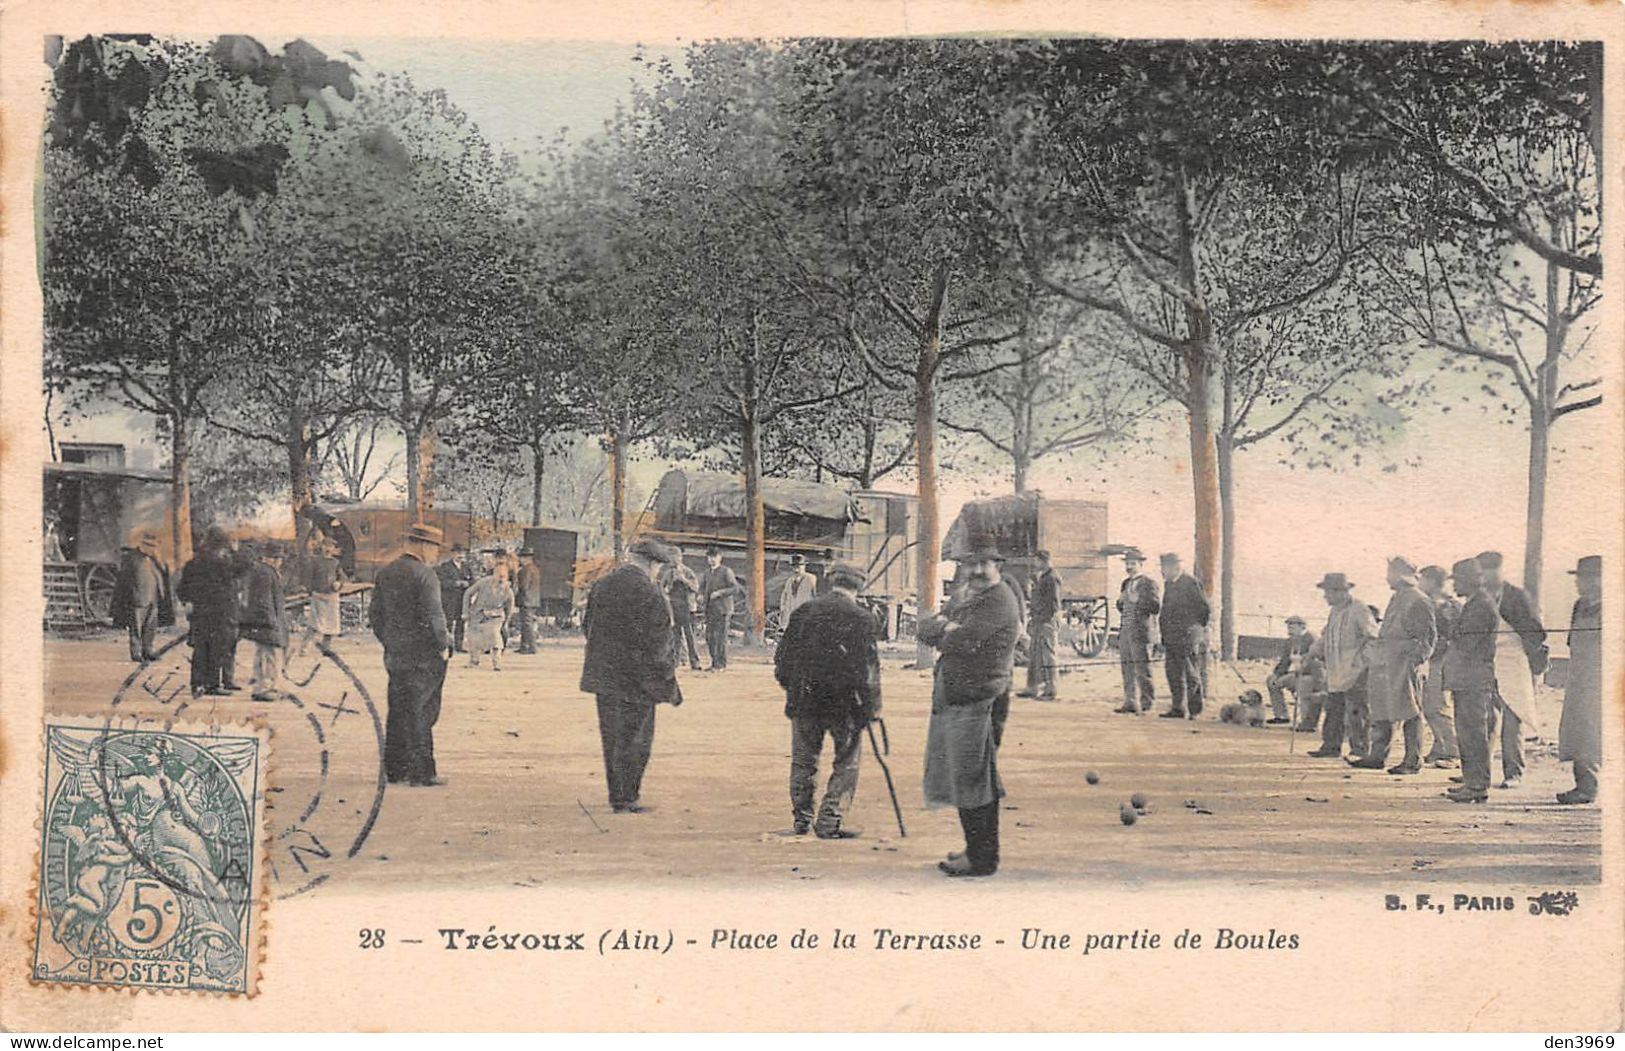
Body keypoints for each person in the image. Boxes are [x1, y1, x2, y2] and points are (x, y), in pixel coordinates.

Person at [920, 548, 1020, 878]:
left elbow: (967, 640)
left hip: (980, 698)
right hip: (962, 696)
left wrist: (947, 628)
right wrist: (948, 627)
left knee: (975, 779)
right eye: (971, 563)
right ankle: (976, 850)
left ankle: (981, 858)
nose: (976, 569)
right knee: (967, 777)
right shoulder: (970, 598)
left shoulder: (998, 599)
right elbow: (924, 628)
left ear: (998, 565)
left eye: (984, 563)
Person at [774, 562, 881, 838]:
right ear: (860, 586)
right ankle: (830, 821)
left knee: (803, 760)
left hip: (805, 700)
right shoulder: (862, 619)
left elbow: (782, 662)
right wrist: (871, 707)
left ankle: (801, 821)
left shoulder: (805, 612)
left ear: (831, 581)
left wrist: (794, 689)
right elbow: (868, 671)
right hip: (845, 705)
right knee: (847, 761)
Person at [579, 538, 683, 814]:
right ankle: (629, 796)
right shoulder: (651, 592)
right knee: (636, 740)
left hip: (605, 676)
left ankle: (617, 796)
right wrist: (667, 678)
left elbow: (586, 625)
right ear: (652, 564)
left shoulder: (602, 585)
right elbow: (660, 642)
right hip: (639, 680)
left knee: (611, 738)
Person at [369, 523, 452, 787]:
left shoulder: (386, 572)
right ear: (423, 546)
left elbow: (375, 616)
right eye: (434, 548)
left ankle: (394, 769)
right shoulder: (426, 575)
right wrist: (443, 645)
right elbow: (434, 617)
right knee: (422, 711)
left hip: (396, 654)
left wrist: (390, 641)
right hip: (424, 656)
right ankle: (422, 771)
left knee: (397, 709)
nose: (435, 554)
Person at [1351, 557, 1437, 774]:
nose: (1386, 577)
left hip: (1403, 663)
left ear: (1400, 574)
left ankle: (1412, 760)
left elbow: (1427, 639)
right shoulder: (1398, 597)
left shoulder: (1418, 600)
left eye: (1390, 572)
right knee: (1381, 709)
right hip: (1385, 661)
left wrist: (1413, 663)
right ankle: (1377, 756)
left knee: (1410, 711)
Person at [1477, 550, 1548, 789]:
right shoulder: (1481, 596)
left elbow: (1536, 631)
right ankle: (1479, 771)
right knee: (1484, 718)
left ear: (1499, 570)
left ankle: (1514, 772)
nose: (1485, 576)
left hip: (1513, 660)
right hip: (1487, 661)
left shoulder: (1516, 596)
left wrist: (1534, 661)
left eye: (1489, 570)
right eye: (1481, 571)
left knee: (1512, 718)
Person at [1443, 558, 1498, 804]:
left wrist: (1450, 622)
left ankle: (1477, 785)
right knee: (1468, 732)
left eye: (1457, 580)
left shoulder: (1480, 606)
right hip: (1468, 679)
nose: (1454, 586)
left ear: (1470, 580)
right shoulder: (1476, 603)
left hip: (1473, 679)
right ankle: (1472, 780)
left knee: (1473, 733)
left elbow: (1466, 643)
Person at [1305, 572, 1376, 759]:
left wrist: (1362, 662)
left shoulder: (1359, 609)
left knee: (1356, 712)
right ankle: (1331, 746)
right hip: (1336, 670)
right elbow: (1326, 636)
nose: (1325, 596)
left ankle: (1359, 750)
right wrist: (1312, 651)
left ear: (1340, 592)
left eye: (1328, 592)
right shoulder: (1334, 612)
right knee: (1333, 709)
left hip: (1356, 670)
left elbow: (1372, 637)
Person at [176, 525, 242, 697]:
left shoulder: (194, 563)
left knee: (200, 648)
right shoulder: (223, 563)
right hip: (220, 612)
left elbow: (182, 587)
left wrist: (187, 602)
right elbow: (243, 569)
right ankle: (212, 684)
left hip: (200, 612)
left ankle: (197, 683)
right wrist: (235, 551)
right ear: (223, 544)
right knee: (216, 648)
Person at [1557, 556, 1602, 805]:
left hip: (1602, 679)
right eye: (1579, 578)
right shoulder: (1579, 605)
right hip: (1578, 675)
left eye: (1586, 577)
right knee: (1579, 731)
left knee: (1598, 731)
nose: (1580, 583)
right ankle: (1584, 786)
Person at [1156, 552, 1209, 720]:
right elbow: (1165, 612)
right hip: (1171, 637)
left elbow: (1204, 609)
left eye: (1164, 568)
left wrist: (1193, 630)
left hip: (1187, 637)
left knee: (1191, 674)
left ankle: (1195, 710)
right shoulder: (1169, 584)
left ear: (1175, 567)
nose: (1162, 571)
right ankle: (1178, 708)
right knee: (1173, 674)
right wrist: (1164, 636)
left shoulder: (1191, 582)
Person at [1418, 565, 1462, 769]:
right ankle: (1439, 747)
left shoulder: (1447, 606)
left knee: (1438, 706)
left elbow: (1449, 638)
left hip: (1442, 660)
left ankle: (1453, 752)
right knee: (1430, 706)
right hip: (1433, 659)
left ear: (1432, 581)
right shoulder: (1435, 603)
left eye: (1422, 579)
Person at [237, 542, 290, 701]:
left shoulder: (264, 571)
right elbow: (263, 600)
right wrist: (271, 620)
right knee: (269, 654)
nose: (280, 561)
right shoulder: (266, 573)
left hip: (266, 618)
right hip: (266, 620)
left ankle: (268, 685)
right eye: (279, 558)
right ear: (272, 558)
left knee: (265, 653)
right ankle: (264, 688)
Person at [111, 530, 170, 663]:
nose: (152, 549)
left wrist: (159, 560)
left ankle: (148, 650)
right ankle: (136, 652)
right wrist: (128, 597)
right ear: (142, 545)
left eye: (154, 546)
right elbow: (124, 579)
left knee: (150, 627)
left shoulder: (156, 559)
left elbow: (164, 573)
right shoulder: (131, 557)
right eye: (149, 546)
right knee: (136, 627)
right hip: (137, 598)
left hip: (154, 597)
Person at [1113, 548, 1160, 714]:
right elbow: (1123, 607)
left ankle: (1147, 703)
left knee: (1142, 669)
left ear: (1141, 564)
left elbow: (1155, 607)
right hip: (1126, 629)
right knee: (1127, 668)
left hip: (1140, 632)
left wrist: (1138, 600)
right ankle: (1130, 701)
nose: (1129, 567)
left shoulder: (1149, 583)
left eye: (1133, 563)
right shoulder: (1125, 583)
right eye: (1127, 563)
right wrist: (1120, 603)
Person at [1019, 550, 1062, 701]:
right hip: (1039, 621)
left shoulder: (1052, 578)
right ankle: (1033, 688)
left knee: (1048, 656)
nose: (1034, 564)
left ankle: (1051, 690)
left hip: (1046, 622)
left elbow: (1054, 605)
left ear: (1044, 561)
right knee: (1035, 654)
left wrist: (1043, 620)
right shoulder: (1043, 577)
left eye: (1037, 561)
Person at [1264, 615, 1316, 727]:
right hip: (1296, 674)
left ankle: (1306, 721)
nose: (1290, 628)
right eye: (1288, 625)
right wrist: (1276, 674)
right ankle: (1281, 715)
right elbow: (1285, 662)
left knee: (1304, 684)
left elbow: (1315, 660)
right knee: (1272, 681)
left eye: (1293, 625)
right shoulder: (1289, 642)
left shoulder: (1311, 639)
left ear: (1302, 627)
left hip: (1311, 674)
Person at [296, 538, 344, 658]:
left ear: (334, 549)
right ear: (321, 547)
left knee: (331, 624)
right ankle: (304, 647)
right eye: (326, 545)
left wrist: (339, 583)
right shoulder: (315, 561)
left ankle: (326, 647)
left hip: (332, 596)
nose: (328, 548)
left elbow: (342, 577)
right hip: (319, 595)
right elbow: (308, 578)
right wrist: (310, 590)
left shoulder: (335, 563)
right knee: (314, 624)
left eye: (331, 546)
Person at [463, 562, 516, 671]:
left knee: (495, 637)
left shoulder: (508, 590)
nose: (500, 579)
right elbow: (468, 593)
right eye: (498, 575)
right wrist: (465, 612)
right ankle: (474, 660)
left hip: (495, 617)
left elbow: (510, 607)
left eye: (504, 576)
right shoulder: (483, 583)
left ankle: (497, 663)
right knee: (473, 637)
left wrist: (506, 622)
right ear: (493, 574)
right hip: (477, 614)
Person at [700, 546, 744, 671]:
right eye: (709, 557)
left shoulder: (726, 571)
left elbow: (735, 588)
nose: (712, 560)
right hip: (710, 609)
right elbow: (702, 587)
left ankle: (721, 665)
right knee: (710, 637)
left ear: (720, 558)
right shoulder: (707, 573)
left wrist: (720, 593)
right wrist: (700, 595)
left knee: (720, 637)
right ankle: (714, 663)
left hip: (723, 610)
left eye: (714, 557)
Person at [661, 557, 703, 671]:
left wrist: (683, 579)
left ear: (681, 558)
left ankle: (695, 663)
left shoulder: (688, 572)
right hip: (674, 608)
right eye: (673, 561)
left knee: (690, 636)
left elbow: (695, 587)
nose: (675, 563)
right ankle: (675, 662)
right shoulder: (668, 574)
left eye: (677, 559)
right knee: (675, 636)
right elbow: (662, 589)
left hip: (687, 608)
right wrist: (667, 588)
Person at [436, 544, 474, 653]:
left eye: (462, 553)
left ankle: (459, 645)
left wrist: (468, 583)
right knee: (447, 623)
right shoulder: (444, 567)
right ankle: (446, 646)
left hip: (462, 600)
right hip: (449, 600)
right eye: (458, 553)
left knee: (460, 623)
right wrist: (455, 583)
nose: (460, 555)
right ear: (452, 554)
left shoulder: (467, 567)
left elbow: (473, 581)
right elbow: (440, 582)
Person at [513, 549, 543, 655]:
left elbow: (523, 586)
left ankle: (532, 647)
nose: (520, 560)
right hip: (533, 599)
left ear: (526, 558)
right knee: (526, 624)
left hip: (526, 600)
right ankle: (524, 646)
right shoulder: (535, 568)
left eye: (521, 557)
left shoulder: (525, 570)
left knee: (527, 624)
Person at [778, 553, 817, 630]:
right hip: (791, 616)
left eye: (799, 566)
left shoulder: (811, 579)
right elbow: (784, 596)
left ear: (804, 566)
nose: (796, 569)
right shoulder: (789, 581)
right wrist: (783, 609)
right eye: (794, 566)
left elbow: (815, 596)